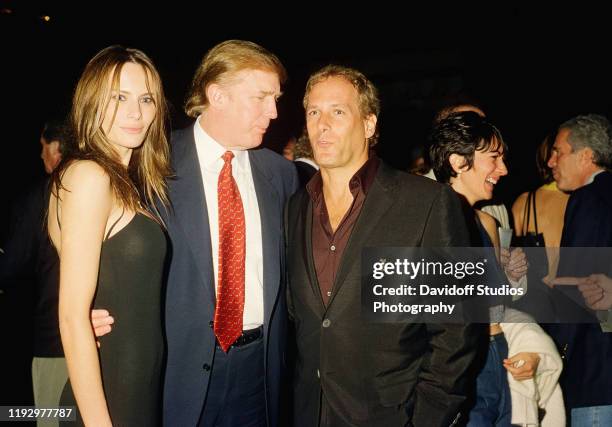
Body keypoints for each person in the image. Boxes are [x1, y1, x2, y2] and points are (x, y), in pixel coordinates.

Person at [94, 40, 298, 426]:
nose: (273, 111)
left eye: (275, 98)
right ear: (217, 95)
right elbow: (99, 244)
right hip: (174, 373)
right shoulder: (150, 166)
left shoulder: (282, 176)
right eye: (261, 97)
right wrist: (90, 305)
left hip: (259, 372)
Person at [286, 65, 480, 427]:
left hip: (392, 414)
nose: (322, 124)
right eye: (314, 112)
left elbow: (456, 330)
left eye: (337, 111)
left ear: (369, 124)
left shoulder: (427, 203)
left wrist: (426, 417)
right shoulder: (295, 207)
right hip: (309, 413)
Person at [48, 45, 171, 426]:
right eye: (119, 97)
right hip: (109, 400)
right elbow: (71, 316)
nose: (135, 112)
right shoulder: (89, 176)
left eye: (146, 98)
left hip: (132, 390)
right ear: (92, 101)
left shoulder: (122, 182)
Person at [429, 111, 563, 426]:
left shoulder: (487, 222)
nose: (503, 170)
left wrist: (511, 278)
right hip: (460, 365)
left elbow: (496, 307)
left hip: (497, 355)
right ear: (457, 162)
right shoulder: (426, 220)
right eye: (494, 158)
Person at [0, 119, 69, 427]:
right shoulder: (110, 186)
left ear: (57, 148)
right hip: (106, 339)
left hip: (55, 342)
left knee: (54, 416)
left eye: (43, 148)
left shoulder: (38, 198)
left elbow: (10, 266)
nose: (41, 157)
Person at [545, 114, 612, 425]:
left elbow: (577, 287)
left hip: (596, 374)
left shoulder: (589, 199)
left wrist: (553, 355)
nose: (550, 161)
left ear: (586, 156)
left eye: (559, 151)